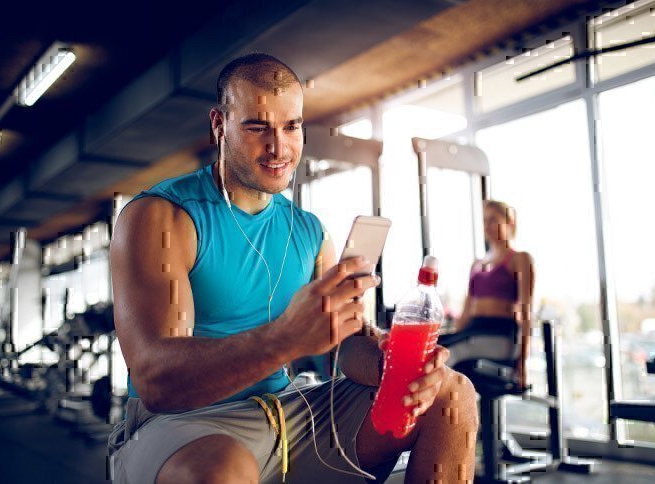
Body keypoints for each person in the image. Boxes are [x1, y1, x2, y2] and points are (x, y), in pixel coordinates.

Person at [107, 53, 478, 484]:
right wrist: (285, 338)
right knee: (220, 471)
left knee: (453, 394)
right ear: (219, 125)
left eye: (291, 126)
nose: (279, 147)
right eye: (257, 127)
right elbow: (158, 381)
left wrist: (398, 366)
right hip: (181, 424)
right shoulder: (163, 218)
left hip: (288, 414)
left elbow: (346, 351)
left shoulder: (309, 232)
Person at [454, 200, 535, 388]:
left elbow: (526, 312)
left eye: (493, 220)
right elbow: (466, 312)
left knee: (452, 354)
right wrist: (452, 336)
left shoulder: (520, 259)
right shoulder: (477, 264)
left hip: (500, 334)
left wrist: (522, 362)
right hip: (473, 330)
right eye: (484, 221)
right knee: (437, 350)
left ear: (510, 223)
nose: (487, 226)